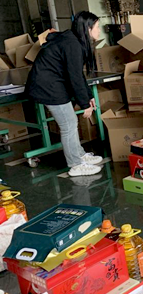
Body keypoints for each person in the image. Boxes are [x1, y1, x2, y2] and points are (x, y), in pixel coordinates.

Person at [26, 12, 105, 177]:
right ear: (87, 29)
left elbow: (77, 74)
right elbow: (74, 77)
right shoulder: (72, 44)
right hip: (48, 87)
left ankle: (80, 155)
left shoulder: (73, 40)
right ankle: (75, 165)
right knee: (68, 124)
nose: (99, 31)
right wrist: (84, 104)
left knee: (70, 122)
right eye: (97, 27)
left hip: (54, 83)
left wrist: (88, 96)